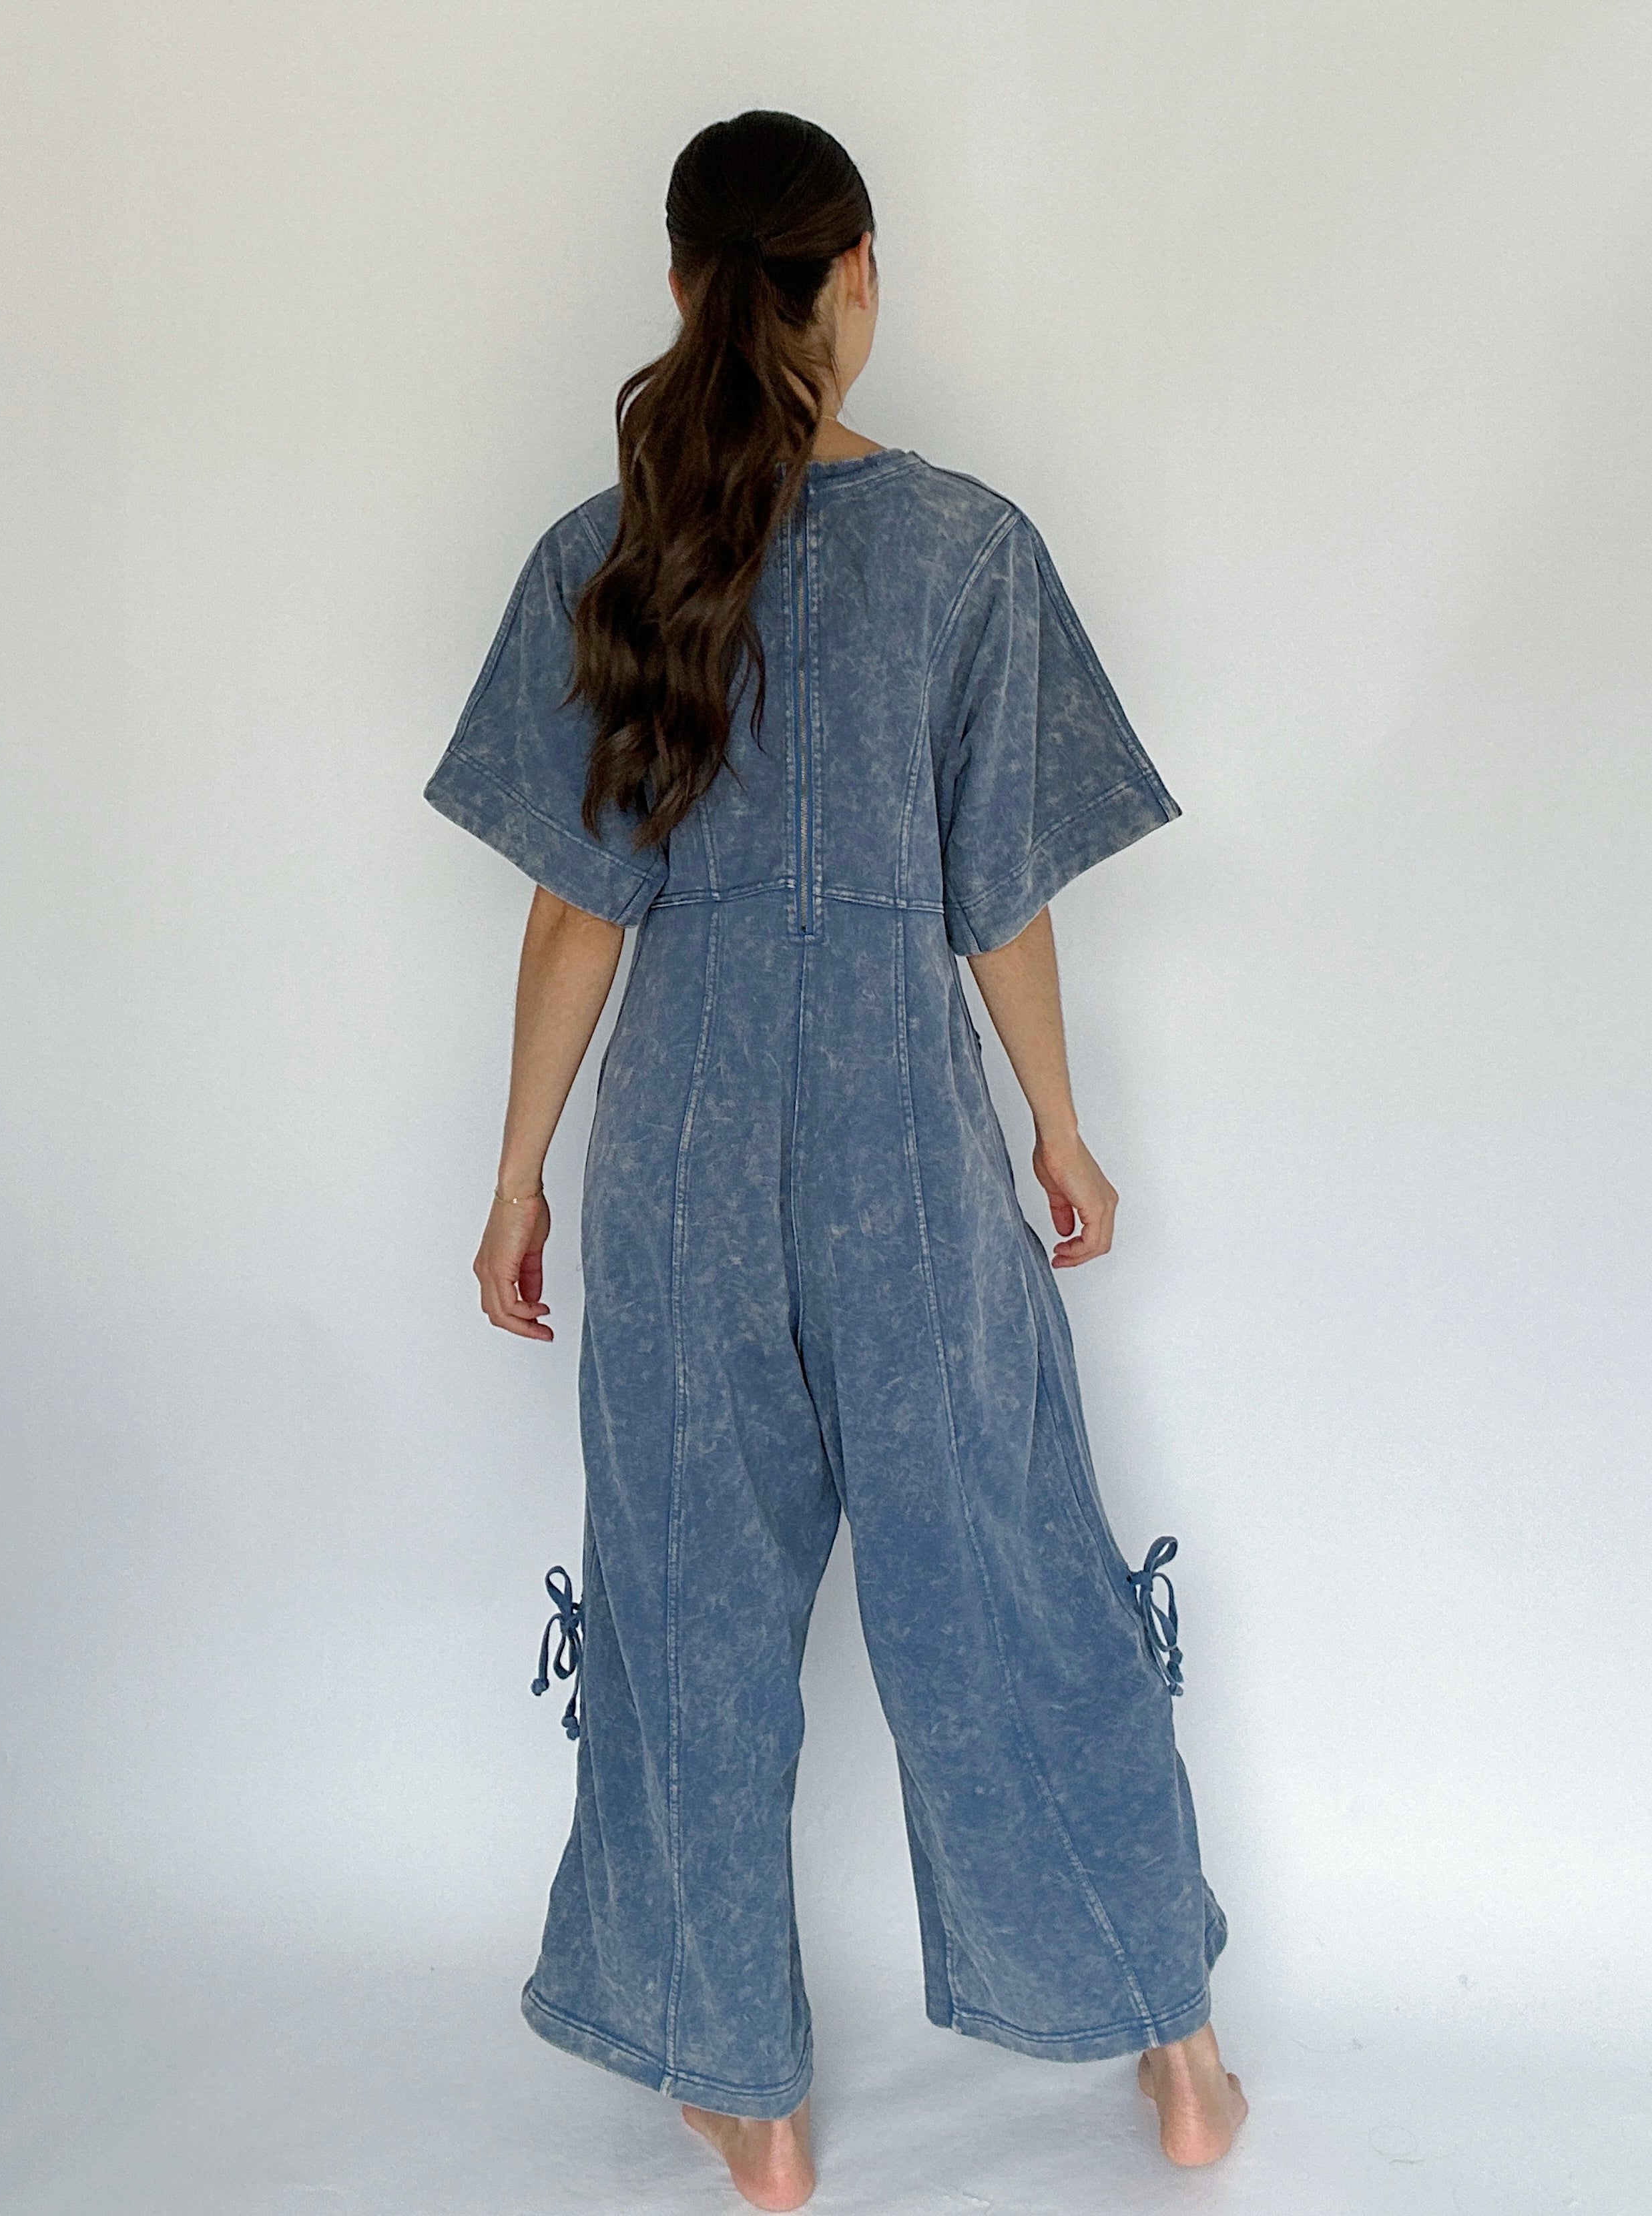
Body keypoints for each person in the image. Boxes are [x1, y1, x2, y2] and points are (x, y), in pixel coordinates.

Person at [423, 107, 1246, 2213]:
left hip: (680, 1172)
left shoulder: (602, 550)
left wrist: (516, 1175)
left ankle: (752, 2109)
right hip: (905, 1151)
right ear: (853, 273)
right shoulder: (970, 551)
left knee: (686, 1627)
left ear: (685, 287)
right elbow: (1000, 902)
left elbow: (572, 911)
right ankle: (1178, 2063)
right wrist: (1057, 1135)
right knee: (1009, 1588)